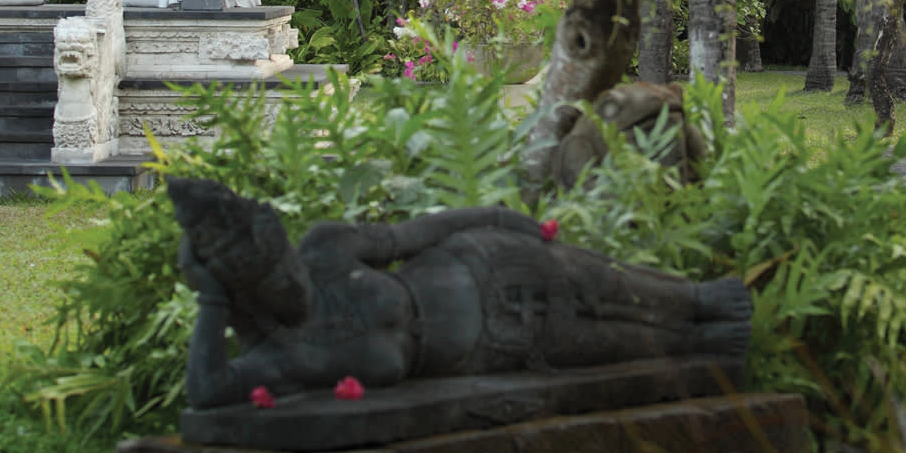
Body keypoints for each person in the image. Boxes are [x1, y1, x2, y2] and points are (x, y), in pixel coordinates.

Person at [168, 177, 752, 408]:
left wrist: (498, 218)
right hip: (497, 347)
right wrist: (210, 298)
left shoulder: (325, 248)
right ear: (249, 296)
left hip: (482, 261)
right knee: (614, 342)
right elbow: (206, 393)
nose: (292, 278)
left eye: (287, 263)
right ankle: (704, 344)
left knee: (611, 281)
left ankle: (702, 299)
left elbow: (415, 234)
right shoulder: (282, 356)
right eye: (275, 281)